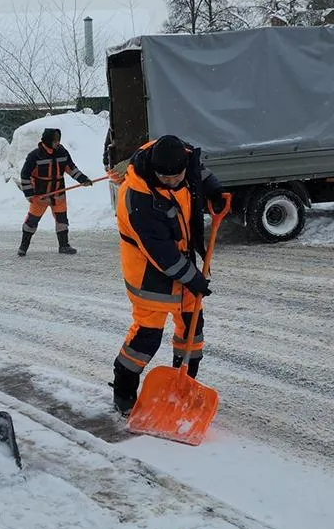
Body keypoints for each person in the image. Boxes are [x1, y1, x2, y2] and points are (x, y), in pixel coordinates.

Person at [111, 135, 229, 416]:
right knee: (146, 338)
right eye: (166, 179)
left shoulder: (182, 159)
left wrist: (213, 189)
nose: (173, 182)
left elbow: (198, 170)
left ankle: (182, 385)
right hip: (149, 274)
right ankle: (124, 393)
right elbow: (161, 253)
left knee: (192, 330)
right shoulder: (137, 198)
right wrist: (194, 278)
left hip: (183, 263)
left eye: (178, 177)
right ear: (155, 171)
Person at [17, 127, 93, 256]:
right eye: (55, 140)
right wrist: (29, 194)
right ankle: (23, 246)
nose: (58, 143)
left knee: (62, 220)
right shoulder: (34, 155)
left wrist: (83, 179)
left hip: (59, 193)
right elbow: (25, 176)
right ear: (47, 140)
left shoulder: (62, 152)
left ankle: (64, 246)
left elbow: (71, 168)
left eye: (59, 140)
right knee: (32, 221)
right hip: (40, 195)